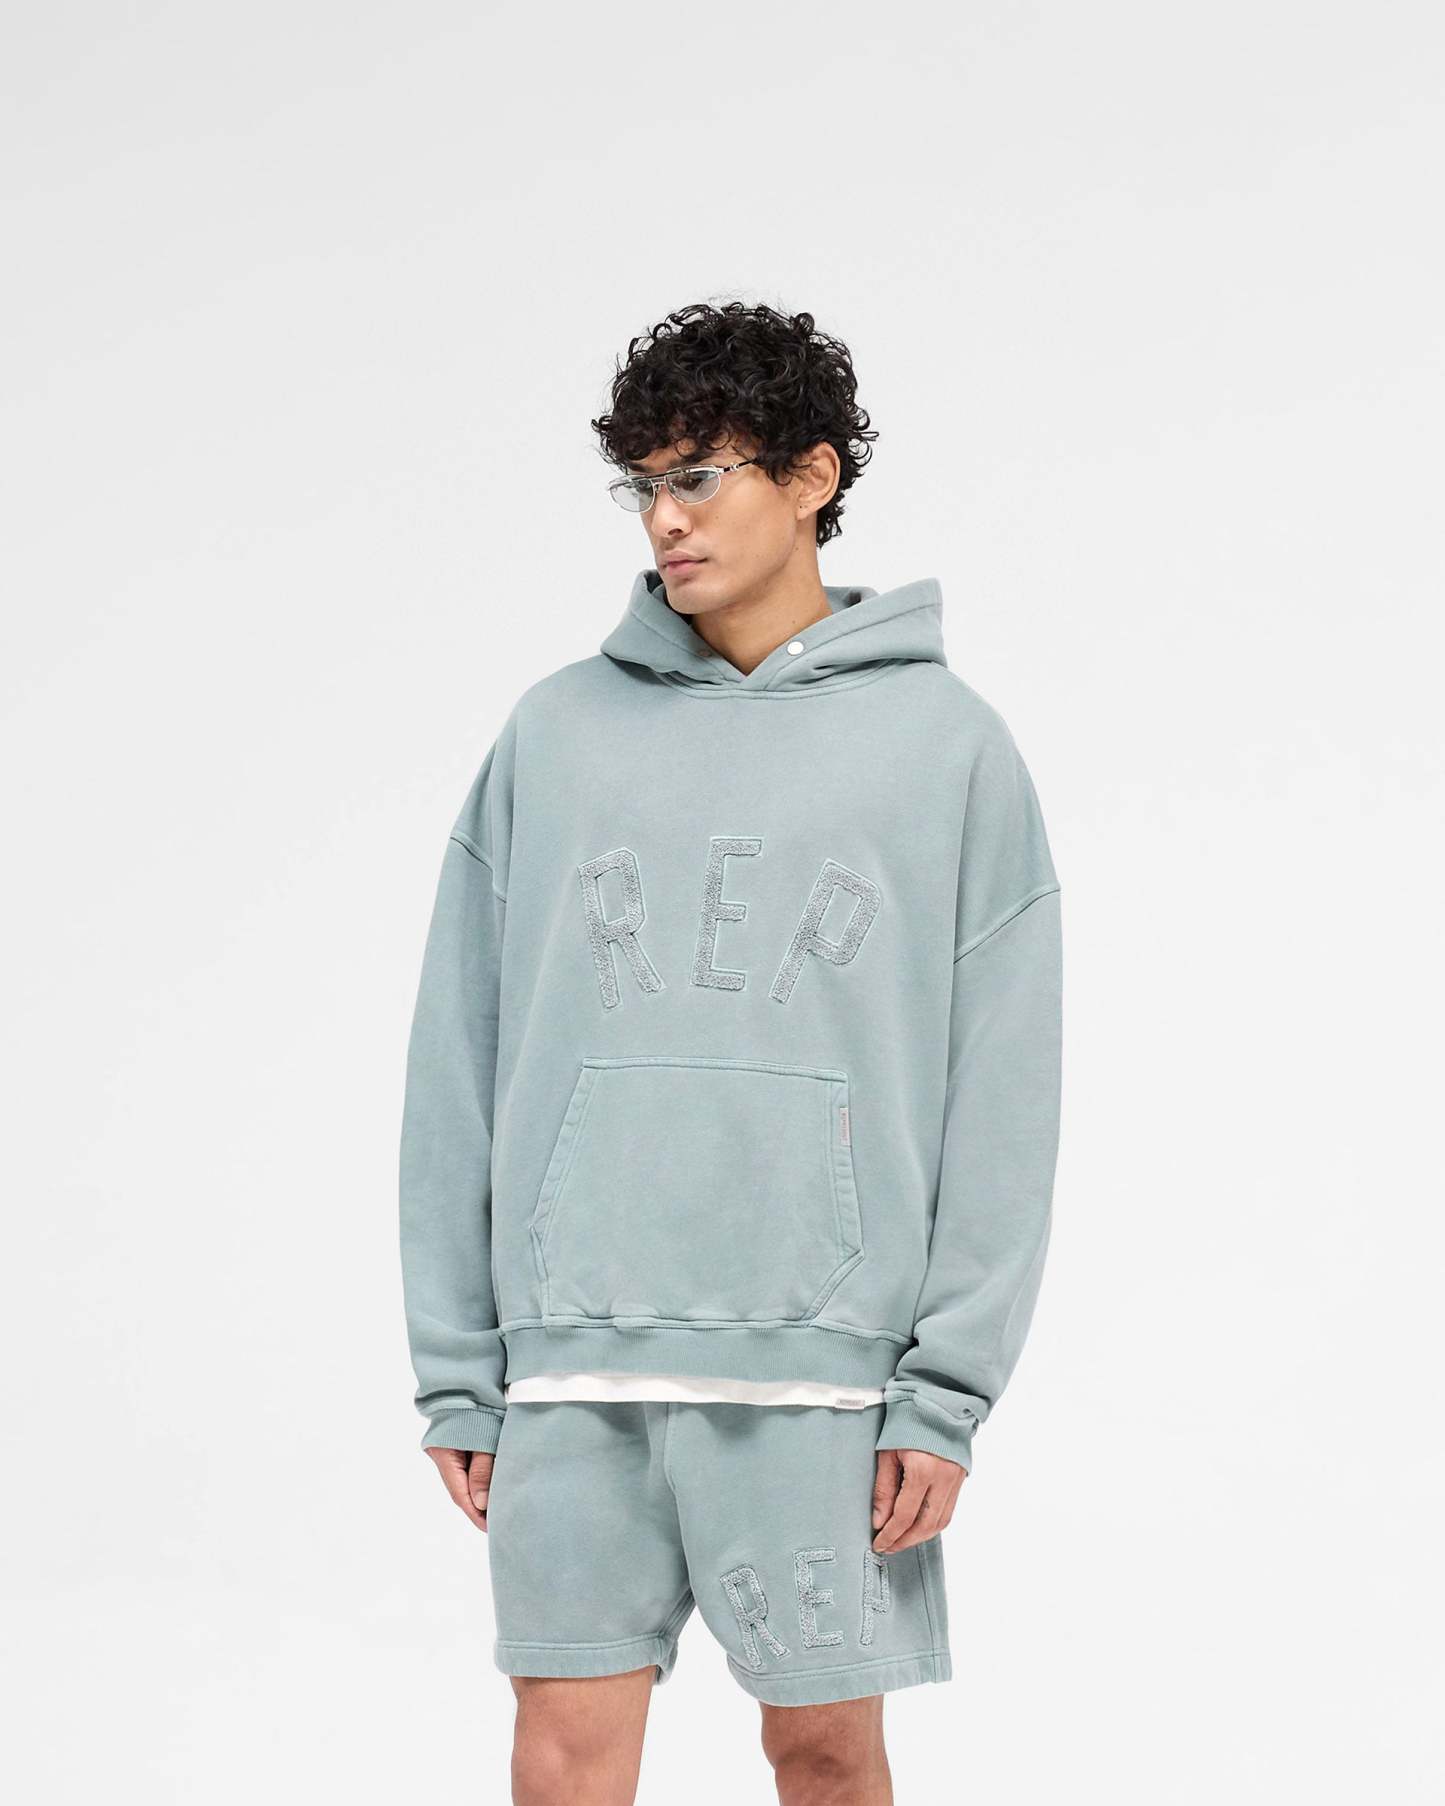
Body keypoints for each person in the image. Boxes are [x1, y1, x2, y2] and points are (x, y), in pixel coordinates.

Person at [398, 300, 1063, 1805]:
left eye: (699, 476)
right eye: (643, 484)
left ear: (813, 476)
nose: (665, 518)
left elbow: (1005, 1091)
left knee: (824, 1752)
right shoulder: (554, 734)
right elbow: (456, 1055)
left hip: (825, 1384)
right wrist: (457, 1370)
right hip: (571, 1367)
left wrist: (946, 1390)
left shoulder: (948, 747)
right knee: (561, 1750)